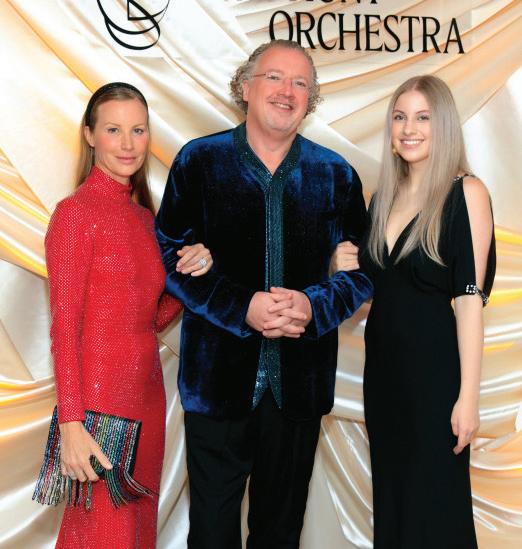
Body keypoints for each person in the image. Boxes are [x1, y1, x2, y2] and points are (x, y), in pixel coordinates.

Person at [155, 40, 373, 549]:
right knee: (211, 532)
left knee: (280, 532)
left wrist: (314, 305)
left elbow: (364, 272)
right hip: (216, 383)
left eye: (301, 83)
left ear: (311, 100)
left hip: (299, 384)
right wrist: (242, 306)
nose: (287, 91)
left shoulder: (337, 174)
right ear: (245, 88)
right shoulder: (199, 161)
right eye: (274, 77)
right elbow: (168, 253)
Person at [45, 82, 213, 548]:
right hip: (97, 407)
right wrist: (72, 423)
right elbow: (65, 329)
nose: (127, 144)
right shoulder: (74, 214)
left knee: (138, 533)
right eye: (113, 130)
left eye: (138, 130)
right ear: (89, 135)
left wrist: (190, 278)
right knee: (104, 533)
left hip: (147, 400)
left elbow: (148, 320)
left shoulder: (144, 220)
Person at [331, 75, 496, 548]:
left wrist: (468, 398)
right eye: (400, 117)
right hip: (385, 381)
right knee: (396, 505)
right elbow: (373, 295)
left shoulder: (467, 193)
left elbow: (469, 301)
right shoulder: (383, 199)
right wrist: (339, 267)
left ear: (443, 125)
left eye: (423, 117)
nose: (409, 128)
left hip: (436, 383)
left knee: (436, 510)